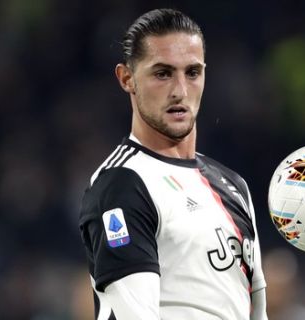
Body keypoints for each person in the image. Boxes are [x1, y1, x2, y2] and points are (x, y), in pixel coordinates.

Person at [78, 8, 268, 320]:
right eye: (162, 73)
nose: (180, 90)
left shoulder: (233, 186)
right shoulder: (123, 184)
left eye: (192, 72)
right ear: (127, 79)